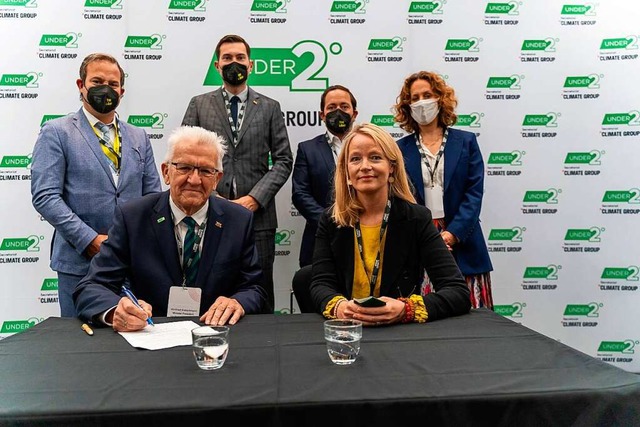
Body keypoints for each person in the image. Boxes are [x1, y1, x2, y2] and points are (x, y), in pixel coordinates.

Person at [73, 126, 267, 331]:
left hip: (215, 336)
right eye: (184, 167)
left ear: (217, 179)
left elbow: (255, 288)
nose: (194, 180)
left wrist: (238, 302)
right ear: (166, 172)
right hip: (150, 334)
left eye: (205, 171)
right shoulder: (133, 217)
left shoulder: (238, 220)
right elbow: (91, 287)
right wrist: (116, 311)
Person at [31, 53, 161, 317]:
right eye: (97, 81)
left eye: (113, 84)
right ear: (81, 85)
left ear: (122, 91)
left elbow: (153, 197)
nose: (106, 89)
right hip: (79, 262)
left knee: (134, 338)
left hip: (131, 262)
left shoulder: (139, 136)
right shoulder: (56, 131)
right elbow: (46, 196)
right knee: (82, 345)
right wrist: (89, 240)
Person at [309, 123, 470, 325]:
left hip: (397, 333)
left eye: (375, 157)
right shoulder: (331, 220)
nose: (365, 166)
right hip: (347, 330)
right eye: (355, 159)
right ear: (347, 173)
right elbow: (320, 285)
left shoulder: (417, 218)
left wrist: (406, 309)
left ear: (392, 169)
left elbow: (457, 292)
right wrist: (340, 307)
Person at [182, 34, 293, 310]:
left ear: (251, 65)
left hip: (259, 219)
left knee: (260, 289)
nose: (235, 63)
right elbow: (185, 154)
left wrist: (253, 200)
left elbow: (283, 160)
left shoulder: (269, 107)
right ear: (217, 66)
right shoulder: (199, 104)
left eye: (240, 58)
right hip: (208, 214)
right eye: (228, 58)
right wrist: (214, 196)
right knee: (209, 287)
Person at [394, 71, 493, 309]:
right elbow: (400, 196)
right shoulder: (399, 148)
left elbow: (474, 193)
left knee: (472, 315)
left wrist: (452, 234)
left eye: (427, 95)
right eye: (415, 98)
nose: (421, 102)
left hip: (463, 239)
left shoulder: (466, 141)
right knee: (428, 313)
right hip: (420, 239)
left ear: (440, 98)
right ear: (408, 106)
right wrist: (426, 237)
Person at [292, 85, 359, 268]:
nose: (338, 111)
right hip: (320, 241)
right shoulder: (307, 149)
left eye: (344, 107)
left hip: (365, 234)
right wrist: (331, 221)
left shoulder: (369, 147)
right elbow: (300, 194)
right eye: (331, 107)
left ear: (354, 113)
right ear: (322, 115)